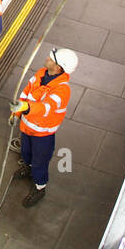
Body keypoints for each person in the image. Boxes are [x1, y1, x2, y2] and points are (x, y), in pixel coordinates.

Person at [11, 47, 77, 207]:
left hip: (42, 134)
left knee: (40, 160)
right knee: (26, 151)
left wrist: (25, 108)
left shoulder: (62, 90)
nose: (46, 59)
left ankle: (39, 187)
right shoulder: (41, 74)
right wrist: (17, 113)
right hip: (27, 127)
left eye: (50, 59)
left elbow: (46, 108)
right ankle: (28, 167)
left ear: (58, 67)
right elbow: (27, 92)